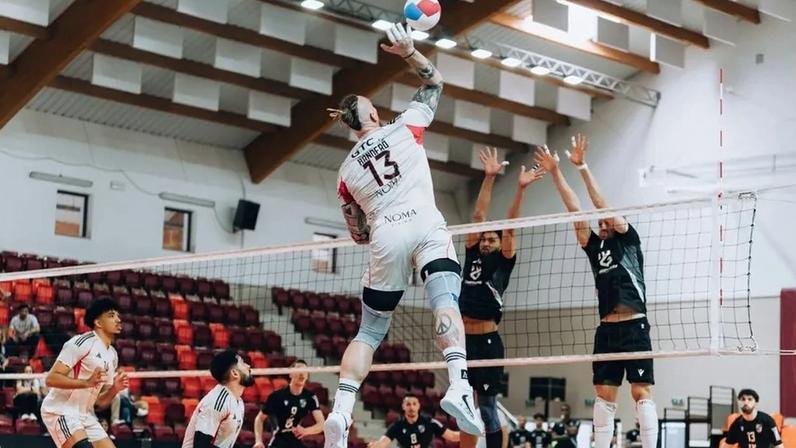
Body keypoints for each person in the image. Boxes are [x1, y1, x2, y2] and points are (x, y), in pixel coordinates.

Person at [325, 22, 483, 448]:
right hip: (427, 223)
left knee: (370, 332)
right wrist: (410, 52)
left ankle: (341, 410)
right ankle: (458, 385)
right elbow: (435, 82)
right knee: (446, 301)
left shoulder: (345, 173)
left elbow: (357, 231)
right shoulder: (405, 127)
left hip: (386, 232)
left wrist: (376, 221)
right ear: (373, 116)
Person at [535, 135, 657, 448]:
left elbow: (601, 205)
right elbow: (576, 211)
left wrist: (583, 166)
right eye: (600, 222)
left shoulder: (628, 240)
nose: (602, 221)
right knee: (603, 397)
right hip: (606, 331)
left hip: (634, 326)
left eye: (607, 219)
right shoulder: (594, 246)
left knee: (641, 393)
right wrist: (555, 172)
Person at [459, 147, 544, 448]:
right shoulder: (472, 253)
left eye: (491, 238)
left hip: (488, 342)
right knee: (463, 405)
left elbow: (510, 225)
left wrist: (520, 189)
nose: (486, 241)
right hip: (463, 340)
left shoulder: (503, 260)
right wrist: (489, 178)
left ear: (498, 244)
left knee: (487, 407)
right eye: (484, 237)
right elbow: (478, 214)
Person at [41, 298, 129, 448]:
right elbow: (51, 379)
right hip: (60, 410)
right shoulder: (82, 343)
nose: (118, 319)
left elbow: (100, 403)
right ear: (98, 323)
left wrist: (115, 389)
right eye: (111, 315)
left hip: (85, 415)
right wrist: (86, 383)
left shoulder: (112, 355)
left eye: (118, 316)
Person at [182, 350, 253, 448]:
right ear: (234, 373)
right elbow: (201, 445)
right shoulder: (217, 401)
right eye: (242, 363)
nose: (248, 366)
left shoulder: (238, 402)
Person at [253, 359, 324, 448]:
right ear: (290, 374)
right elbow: (259, 419)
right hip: (277, 443)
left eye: (305, 371)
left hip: (296, 443)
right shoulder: (277, 396)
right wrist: (258, 441)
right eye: (298, 370)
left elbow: (321, 424)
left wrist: (306, 431)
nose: (302, 373)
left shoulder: (310, 397)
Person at [368, 393, 459, 448]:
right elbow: (384, 442)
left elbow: (452, 436)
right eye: (408, 404)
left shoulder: (430, 422)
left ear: (418, 406)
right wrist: (376, 445)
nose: (411, 407)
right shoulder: (397, 426)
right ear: (403, 406)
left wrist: (471, 433)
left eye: (414, 404)